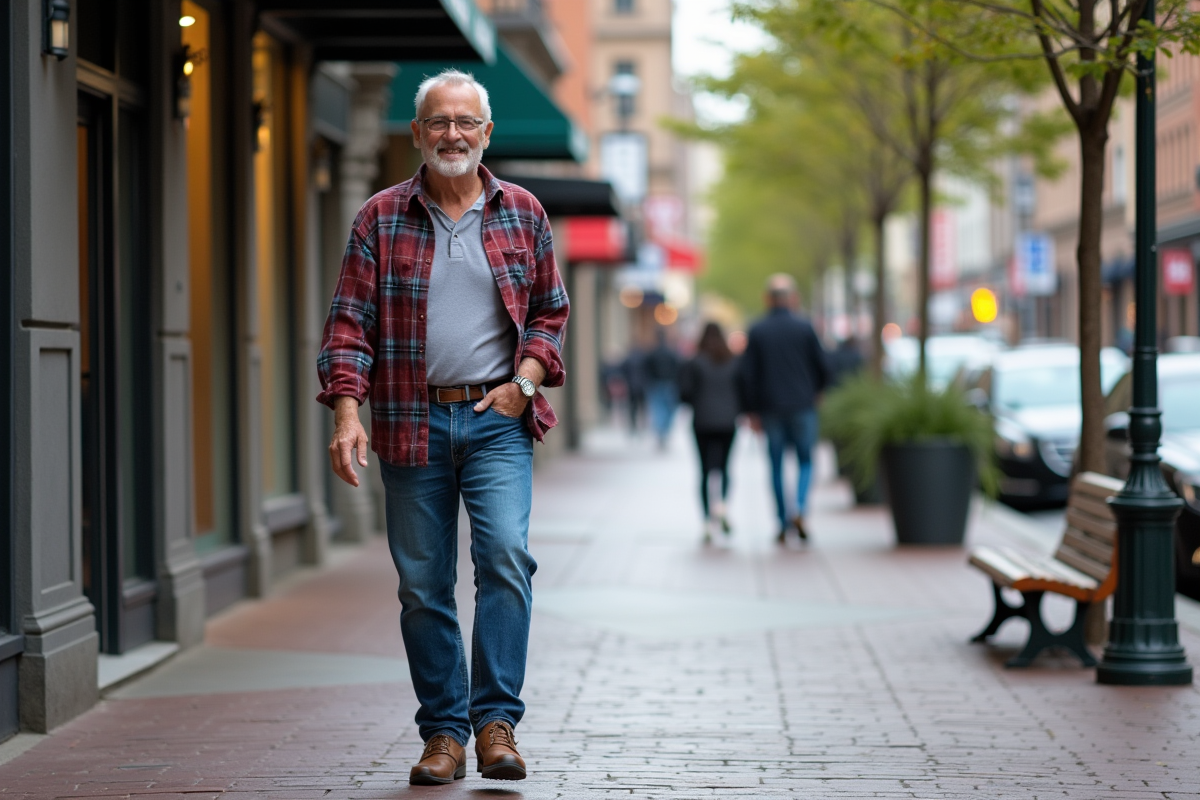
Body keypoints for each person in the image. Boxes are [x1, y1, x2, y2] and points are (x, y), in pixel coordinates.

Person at [316, 69, 568, 786]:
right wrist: (346, 409)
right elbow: (348, 323)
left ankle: (495, 726)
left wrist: (524, 384)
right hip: (408, 415)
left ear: (486, 134)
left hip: (496, 419)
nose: (451, 134)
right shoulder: (379, 217)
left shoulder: (522, 211)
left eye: (465, 122)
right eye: (437, 122)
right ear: (417, 133)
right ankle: (443, 734)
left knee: (505, 559)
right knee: (423, 585)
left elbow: (551, 314)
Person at [738, 274, 830, 544]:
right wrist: (818, 391)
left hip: (770, 408)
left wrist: (751, 411)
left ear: (768, 299)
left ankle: (782, 520)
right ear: (792, 298)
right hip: (803, 405)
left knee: (776, 465)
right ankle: (799, 507)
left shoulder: (757, 330)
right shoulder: (805, 328)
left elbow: (747, 375)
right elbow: (824, 366)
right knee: (805, 461)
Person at [679, 322, 741, 543]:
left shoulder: (694, 362)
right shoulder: (733, 362)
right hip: (728, 421)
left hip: (702, 421)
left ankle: (706, 521)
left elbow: (684, 393)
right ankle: (722, 507)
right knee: (725, 467)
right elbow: (743, 390)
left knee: (704, 471)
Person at [644, 329, 682, 449]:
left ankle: (661, 431)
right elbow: (678, 368)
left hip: (657, 384)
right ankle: (664, 431)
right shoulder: (671, 352)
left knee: (658, 409)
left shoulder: (652, 353)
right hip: (669, 384)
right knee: (668, 409)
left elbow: (646, 369)